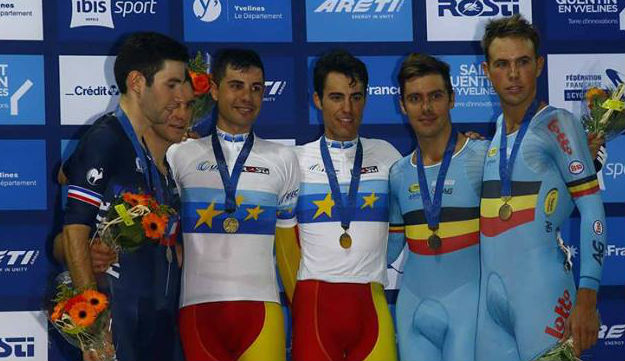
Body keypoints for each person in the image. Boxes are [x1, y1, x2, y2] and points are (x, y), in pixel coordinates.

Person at [476, 15, 606, 361]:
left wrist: (588, 297)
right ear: (487, 71)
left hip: (542, 294)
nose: (513, 74)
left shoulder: (556, 123)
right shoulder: (497, 130)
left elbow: (593, 210)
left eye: (522, 62)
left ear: (539, 65)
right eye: (502, 64)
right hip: (491, 304)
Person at [61, 31, 189, 361]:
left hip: (154, 317)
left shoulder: (142, 146)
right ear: (136, 82)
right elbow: (74, 229)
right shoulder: (106, 138)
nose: (180, 95)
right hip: (118, 318)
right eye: (171, 84)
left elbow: (65, 173)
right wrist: (91, 329)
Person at [166, 48, 300, 361]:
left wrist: (303, 310)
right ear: (213, 89)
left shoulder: (283, 160)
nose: (247, 98)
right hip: (198, 310)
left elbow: (288, 248)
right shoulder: (179, 154)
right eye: (236, 85)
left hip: (262, 310)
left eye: (256, 88)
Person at [276, 49, 400, 361]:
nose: (347, 108)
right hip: (316, 307)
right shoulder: (294, 161)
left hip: (371, 302)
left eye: (356, 97)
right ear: (317, 100)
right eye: (336, 97)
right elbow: (281, 240)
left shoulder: (387, 155)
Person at [387, 53, 487, 361]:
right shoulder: (399, 173)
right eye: (415, 98)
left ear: (452, 99)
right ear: (403, 105)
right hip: (412, 308)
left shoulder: (484, 157)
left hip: (469, 309)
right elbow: (389, 248)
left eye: (435, 96)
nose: (426, 108)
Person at [54, 79, 196, 272]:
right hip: (111, 294)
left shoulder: (192, 157)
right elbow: (62, 241)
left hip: (170, 295)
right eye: (172, 105)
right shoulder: (113, 146)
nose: (181, 114)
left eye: (188, 106)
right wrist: (80, 252)